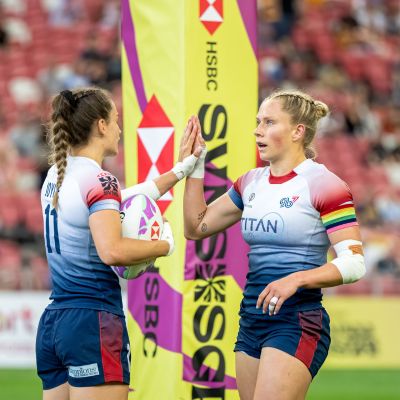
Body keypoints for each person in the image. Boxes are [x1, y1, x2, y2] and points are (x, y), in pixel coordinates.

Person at [183, 89, 366, 400]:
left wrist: (295, 280)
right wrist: (195, 166)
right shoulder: (249, 182)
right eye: (258, 121)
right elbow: (196, 226)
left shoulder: (325, 184)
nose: (257, 130)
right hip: (251, 318)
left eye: (269, 122)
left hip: (297, 320)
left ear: (298, 131)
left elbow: (354, 262)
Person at [36, 87, 202, 400]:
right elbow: (113, 251)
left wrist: (182, 169)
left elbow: (127, 199)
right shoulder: (100, 180)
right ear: (100, 125)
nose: (120, 129)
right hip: (93, 320)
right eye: (115, 120)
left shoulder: (56, 175)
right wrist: (165, 244)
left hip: (55, 322)